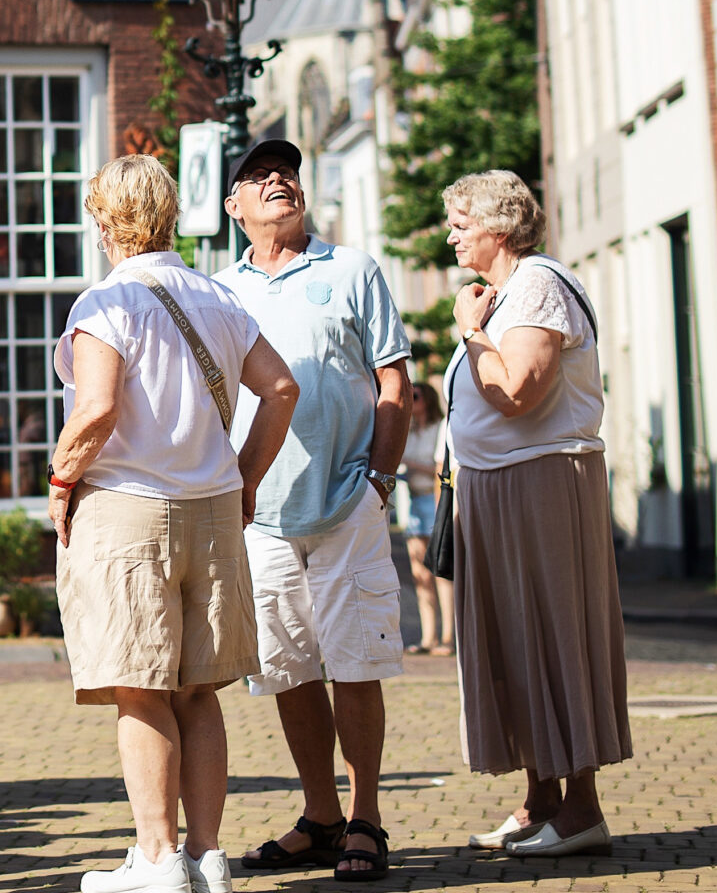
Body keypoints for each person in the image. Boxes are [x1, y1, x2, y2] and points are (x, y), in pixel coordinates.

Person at [47, 155, 301, 893]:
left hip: (130, 510)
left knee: (141, 688)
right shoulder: (216, 296)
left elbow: (95, 408)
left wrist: (61, 479)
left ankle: (158, 860)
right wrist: (247, 477)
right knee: (198, 692)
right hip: (215, 511)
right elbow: (280, 388)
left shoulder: (105, 302)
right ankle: (209, 856)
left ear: (103, 221)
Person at [209, 141, 412, 883]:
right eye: (257, 177)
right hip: (261, 514)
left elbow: (395, 380)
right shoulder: (220, 291)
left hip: (348, 501)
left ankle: (368, 819)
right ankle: (321, 815)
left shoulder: (352, 269)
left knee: (356, 663)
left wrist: (379, 479)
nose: (277, 181)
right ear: (233, 209)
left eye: (285, 171)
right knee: (289, 669)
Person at [441, 170, 628, 859]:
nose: (452, 233)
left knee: (551, 635)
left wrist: (469, 332)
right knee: (514, 643)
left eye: (461, 221)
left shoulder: (540, 286)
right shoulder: (511, 295)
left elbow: (517, 392)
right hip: (499, 487)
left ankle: (581, 809)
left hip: (542, 483)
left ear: (497, 226)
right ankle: (540, 800)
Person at [398, 386, 454, 657]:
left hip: (433, 501)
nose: (411, 399)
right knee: (420, 575)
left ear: (427, 400)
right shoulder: (408, 431)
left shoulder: (438, 429)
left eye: (416, 396)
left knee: (440, 572)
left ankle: (447, 638)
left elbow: (440, 467)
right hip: (413, 501)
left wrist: (408, 462)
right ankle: (428, 636)